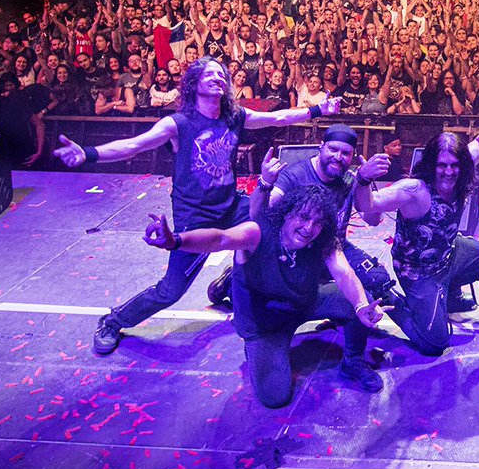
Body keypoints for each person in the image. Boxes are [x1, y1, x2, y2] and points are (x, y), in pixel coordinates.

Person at [53, 56, 341, 354]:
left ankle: (236, 280)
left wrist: (319, 109)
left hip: (231, 207)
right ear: (194, 83)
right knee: (171, 291)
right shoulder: (178, 124)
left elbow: (278, 118)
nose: (219, 77)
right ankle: (112, 322)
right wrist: (88, 154)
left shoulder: (234, 116)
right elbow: (134, 145)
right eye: (210, 74)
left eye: (222, 74)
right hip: (196, 216)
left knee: (278, 226)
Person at [142, 170, 387, 406]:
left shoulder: (322, 240)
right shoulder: (258, 233)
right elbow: (220, 238)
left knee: (360, 299)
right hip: (264, 325)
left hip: (303, 303)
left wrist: (361, 305)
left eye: (317, 222)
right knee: (275, 397)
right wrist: (175, 241)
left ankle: (353, 361)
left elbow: (344, 273)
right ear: (287, 213)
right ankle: (235, 290)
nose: (309, 228)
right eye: (303, 217)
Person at [356, 114, 479, 356]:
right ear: (431, 165)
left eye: (455, 165)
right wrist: (363, 178)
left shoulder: (460, 171)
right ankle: (385, 293)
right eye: (441, 165)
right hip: (418, 272)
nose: (449, 172)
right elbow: (368, 205)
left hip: (450, 252)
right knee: (435, 343)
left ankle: (452, 295)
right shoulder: (413, 190)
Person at [209, 123, 397, 307]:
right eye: (333, 149)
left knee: (377, 280)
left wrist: (365, 182)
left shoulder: (351, 177)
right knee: (269, 298)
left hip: (332, 247)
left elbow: (372, 220)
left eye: (345, 153)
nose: (338, 157)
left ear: (352, 156)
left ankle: (338, 313)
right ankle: (229, 282)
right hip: (297, 246)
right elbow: (258, 214)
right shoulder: (294, 175)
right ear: (321, 147)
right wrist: (265, 183)